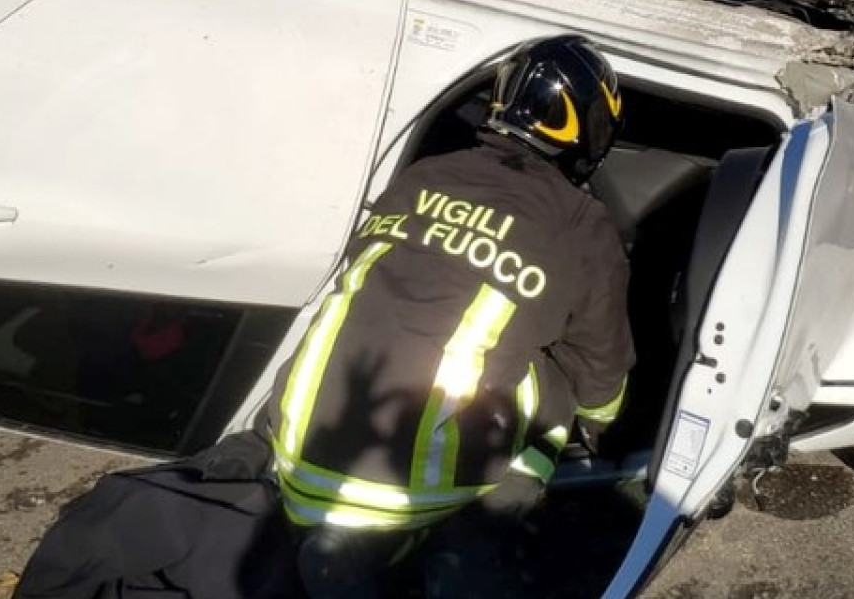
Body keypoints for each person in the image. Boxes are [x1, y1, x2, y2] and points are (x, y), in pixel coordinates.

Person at [262, 35, 637, 599]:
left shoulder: (423, 176)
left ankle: (347, 545)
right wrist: (604, 426)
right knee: (558, 389)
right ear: (588, 127)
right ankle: (465, 538)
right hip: (399, 492)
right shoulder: (581, 224)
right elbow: (601, 380)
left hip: (293, 450)